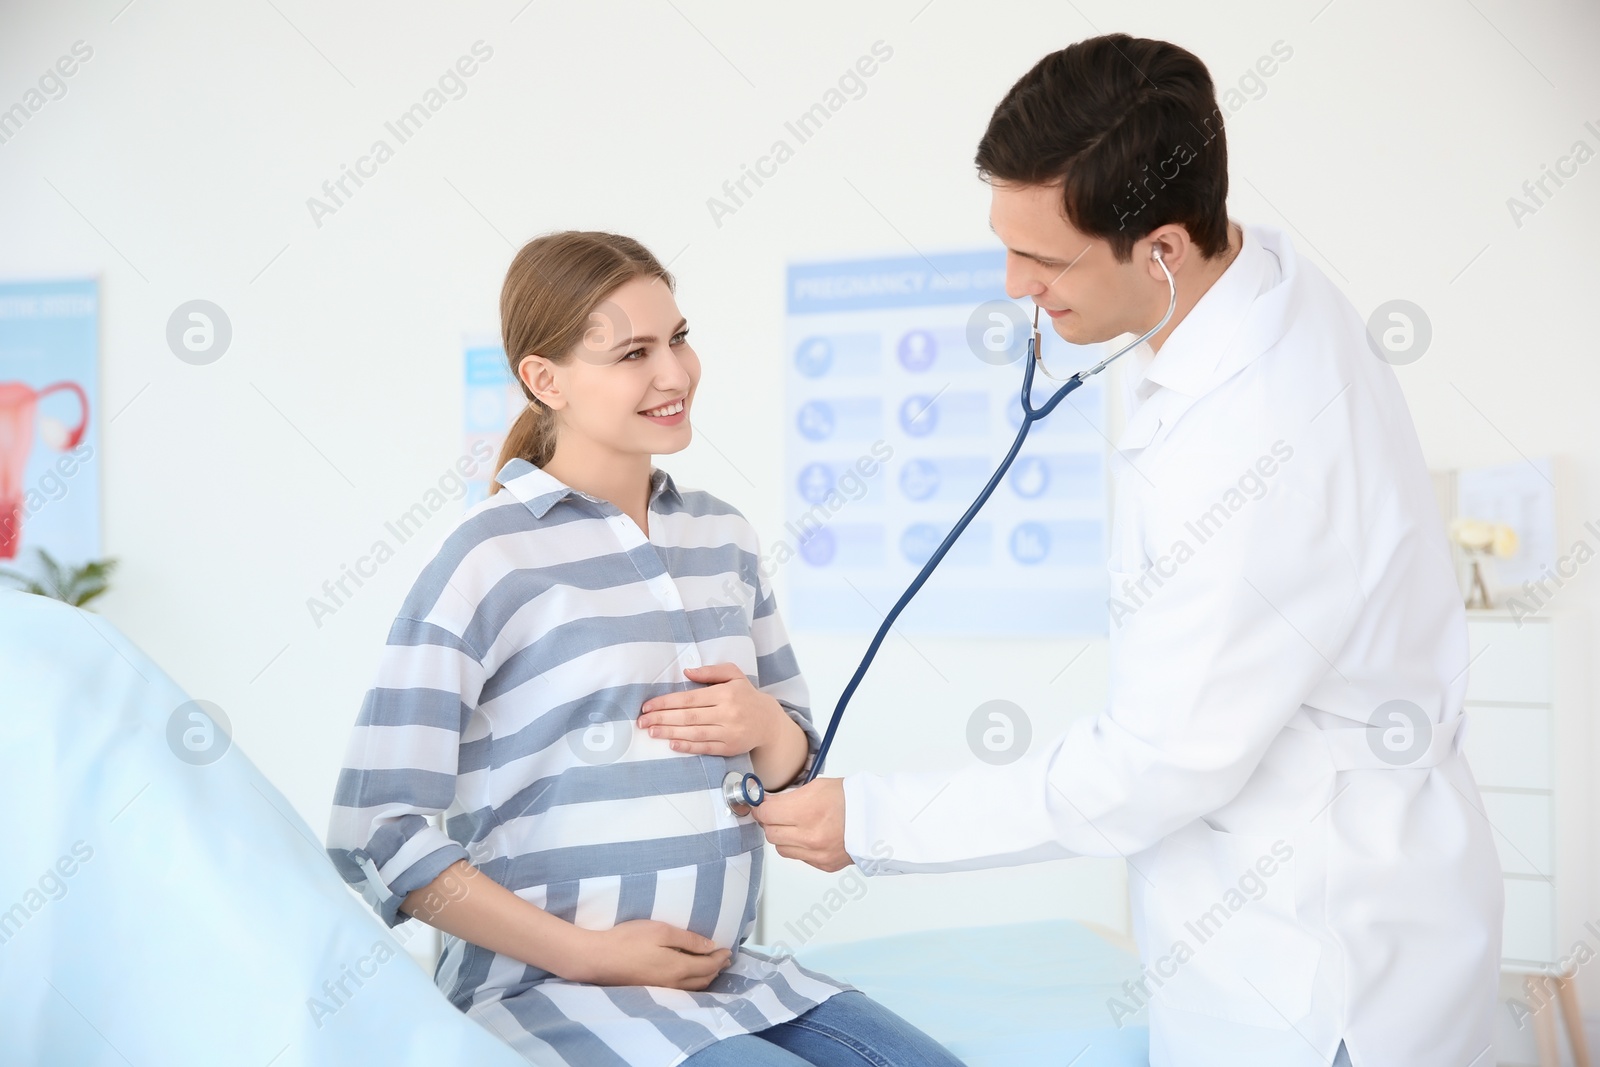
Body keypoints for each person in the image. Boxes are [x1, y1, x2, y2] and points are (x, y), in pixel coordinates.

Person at [752, 35, 1502, 1067]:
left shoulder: (1254, 438)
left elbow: (1152, 765)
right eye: (1004, 243)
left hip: (1314, 969)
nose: (1014, 284)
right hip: (1316, 906)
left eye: (1045, 260)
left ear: (1162, 247)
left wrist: (877, 818)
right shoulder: (1260, 277)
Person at [324, 231, 964, 1067]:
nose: (675, 373)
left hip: (730, 980)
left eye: (679, 338)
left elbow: (797, 767)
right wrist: (587, 952)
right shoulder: (489, 557)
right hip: (545, 995)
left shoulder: (722, 537)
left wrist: (768, 726)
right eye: (634, 352)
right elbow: (375, 831)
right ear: (543, 379)